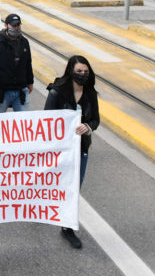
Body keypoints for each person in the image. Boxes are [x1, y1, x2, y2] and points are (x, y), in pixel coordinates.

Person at [43, 55, 99, 249]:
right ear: (70, 71)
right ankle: (37, 208)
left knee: (73, 188)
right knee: (51, 184)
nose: (82, 75)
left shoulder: (90, 93)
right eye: (79, 71)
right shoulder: (57, 93)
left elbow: (96, 121)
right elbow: (47, 121)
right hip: (60, 151)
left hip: (81, 149)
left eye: (86, 72)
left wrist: (87, 126)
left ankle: (67, 227)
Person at [0, 13, 34, 112]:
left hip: (21, 90)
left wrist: (30, 82)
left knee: (22, 122)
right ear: (6, 25)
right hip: (2, 90)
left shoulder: (24, 42)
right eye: (13, 25)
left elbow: (28, 63)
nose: (16, 28)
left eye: (18, 25)